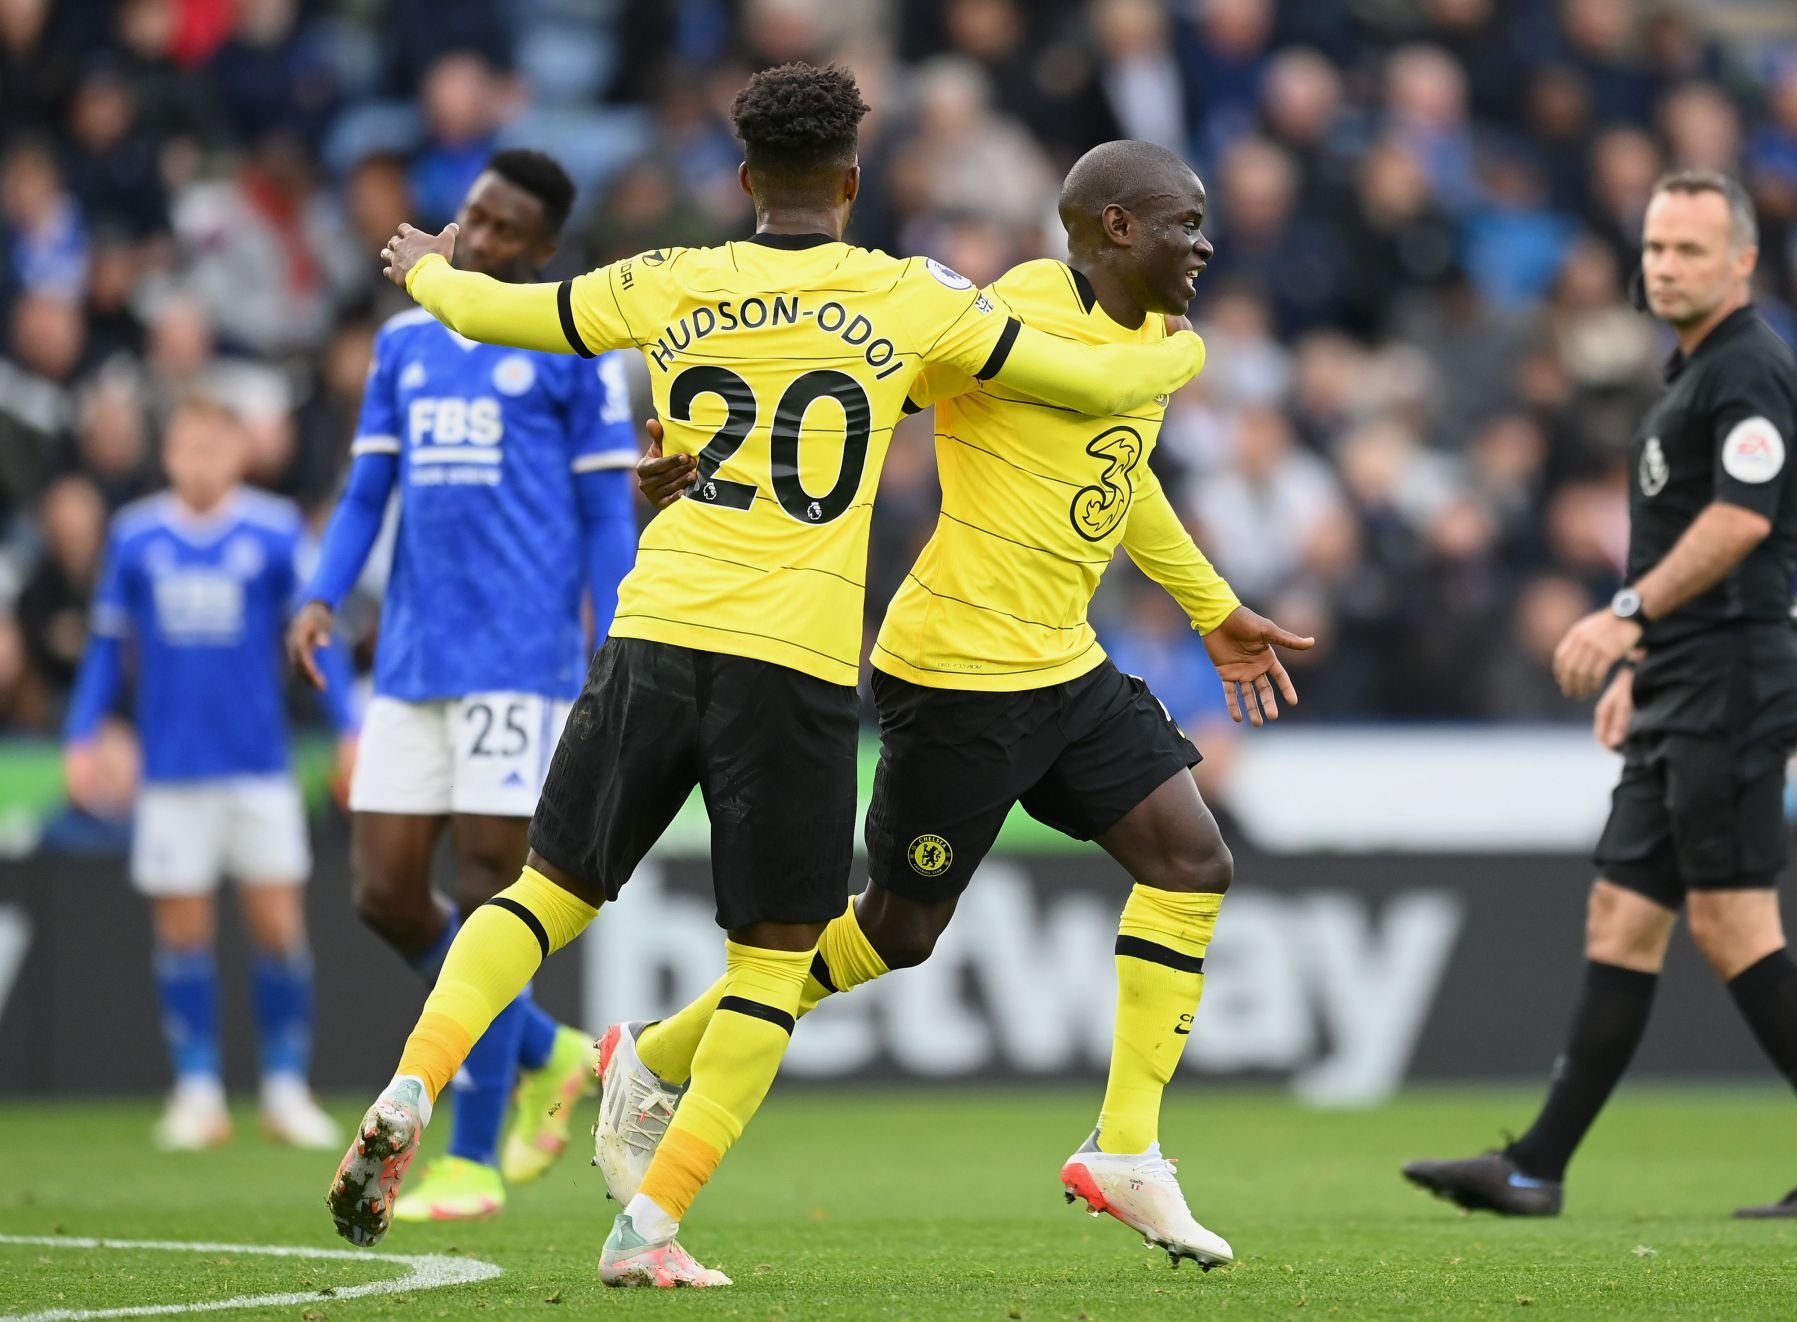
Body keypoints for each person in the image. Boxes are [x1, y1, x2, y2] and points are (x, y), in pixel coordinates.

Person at [323, 62, 1209, 1289]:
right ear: (853, 180)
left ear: (744, 180)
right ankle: (651, 1226)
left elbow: (494, 315)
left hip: (655, 628)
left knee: (543, 893)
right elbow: (1099, 382)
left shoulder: (668, 280)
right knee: (769, 964)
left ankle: (414, 1079)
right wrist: (1182, 356)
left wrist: (426, 265)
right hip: (787, 664)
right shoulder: (910, 298)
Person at [602, 139, 1312, 1272]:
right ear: (1116, 227)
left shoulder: (1151, 341)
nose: (1205, 243)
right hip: (956, 673)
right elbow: (863, 388)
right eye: (1185, 222)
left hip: (1064, 666)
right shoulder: (1014, 309)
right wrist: (703, 456)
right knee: (898, 930)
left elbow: (1124, 483)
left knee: (1192, 860)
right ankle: (656, 1051)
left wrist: (1212, 607)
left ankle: (1127, 1146)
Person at [1403, 170, 1797, 1219]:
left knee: (1730, 921)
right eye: (1656, 246)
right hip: (1685, 674)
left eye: (1688, 248)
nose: (1665, 264)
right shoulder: (1691, 373)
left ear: (1742, 260)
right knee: (1622, 915)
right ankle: (1535, 1165)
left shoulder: (1751, 366)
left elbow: (1739, 521)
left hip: (1731, 677)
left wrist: (1627, 614)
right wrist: (1648, 663)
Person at [288, 150, 634, 1222]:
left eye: (497, 227)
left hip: (520, 660)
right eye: (469, 214)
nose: (470, 235)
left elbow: (606, 514)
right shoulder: (403, 343)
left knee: (492, 884)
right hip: (411, 658)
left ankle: (473, 1156)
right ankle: (554, 1052)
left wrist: (620, 633)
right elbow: (366, 491)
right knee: (385, 891)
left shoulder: (570, 350)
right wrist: (321, 593)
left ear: (537, 250)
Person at [64, 398, 357, 1151]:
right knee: (183, 932)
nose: (200, 462)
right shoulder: (136, 537)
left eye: (214, 449)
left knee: (277, 929)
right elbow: (106, 648)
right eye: (187, 448)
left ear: (238, 454)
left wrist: (350, 727)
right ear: (169, 454)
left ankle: (286, 1089)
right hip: (171, 769)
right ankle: (197, 1091)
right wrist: (81, 734)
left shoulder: (272, 530)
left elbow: (316, 637)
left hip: (260, 763)